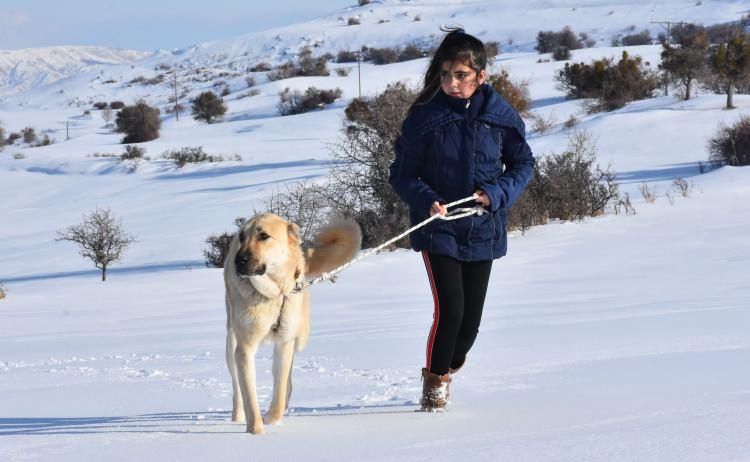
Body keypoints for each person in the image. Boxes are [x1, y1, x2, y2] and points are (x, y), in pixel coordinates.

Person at [388, 28, 535, 411]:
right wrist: (428, 200)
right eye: (446, 75)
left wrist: (496, 193)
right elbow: (402, 174)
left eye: (462, 76)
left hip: (483, 227)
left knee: (469, 326)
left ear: (481, 76)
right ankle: (434, 388)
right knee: (450, 309)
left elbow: (522, 164)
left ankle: (449, 365)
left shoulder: (501, 116)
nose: (452, 83)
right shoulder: (425, 117)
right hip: (439, 228)